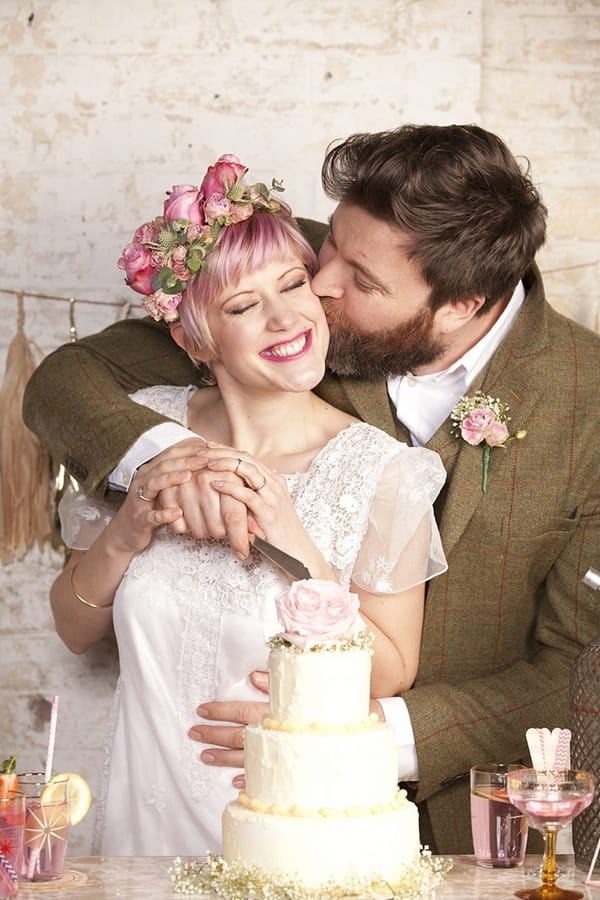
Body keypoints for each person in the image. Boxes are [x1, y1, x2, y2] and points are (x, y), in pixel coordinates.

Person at [24, 125, 600, 854]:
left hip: (449, 826)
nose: (319, 289)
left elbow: (582, 670)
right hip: (158, 804)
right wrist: (174, 462)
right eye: (325, 255)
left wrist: (338, 734)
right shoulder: (298, 267)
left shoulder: (589, 405)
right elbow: (67, 381)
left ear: (461, 305)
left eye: (359, 282)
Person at [47, 154, 447, 855]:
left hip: (281, 835)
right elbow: (74, 631)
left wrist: (291, 539)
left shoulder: (386, 471)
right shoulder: (146, 429)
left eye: (293, 284)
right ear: (192, 338)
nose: (284, 316)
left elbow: (388, 672)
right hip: (138, 829)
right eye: (241, 305)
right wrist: (128, 528)